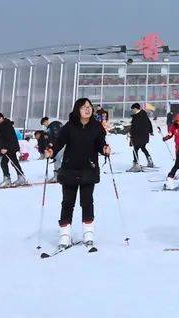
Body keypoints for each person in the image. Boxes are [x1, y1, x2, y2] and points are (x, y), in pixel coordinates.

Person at [46, 97, 110, 248]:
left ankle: (88, 234)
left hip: (89, 169)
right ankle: (64, 236)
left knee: (87, 202)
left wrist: (105, 149)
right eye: (84, 107)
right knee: (67, 203)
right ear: (77, 110)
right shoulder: (69, 127)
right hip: (70, 170)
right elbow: (58, 142)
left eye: (89, 106)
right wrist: (51, 150)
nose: (88, 109)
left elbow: (101, 144)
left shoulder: (97, 127)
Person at [0, 113, 27, 186]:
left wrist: (6, 148)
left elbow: (10, 138)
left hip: (10, 148)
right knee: (10, 162)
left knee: (9, 162)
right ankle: (14, 178)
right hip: (8, 148)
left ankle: (15, 179)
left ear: (1, 118)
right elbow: (2, 138)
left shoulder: (6, 125)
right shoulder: (2, 125)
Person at [128, 103, 155, 172]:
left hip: (138, 136)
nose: (132, 110)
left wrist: (130, 133)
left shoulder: (137, 116)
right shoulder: (143, 114)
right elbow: (149, 123)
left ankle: (136, 165)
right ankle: (150, 161)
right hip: (144, 136)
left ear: (136, 108)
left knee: (135, 149)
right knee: (143, 148)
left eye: (133, 109)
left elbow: (135, 127)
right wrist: (150, 131)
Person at [40, 116, 64, 182]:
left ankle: (58, 176)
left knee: (57, 158)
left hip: (62, 144)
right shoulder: (52, 126)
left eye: (44, 123)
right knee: (59, 159)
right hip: (61, 144)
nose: (44, 125)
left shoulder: (54, 125)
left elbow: (56, 136)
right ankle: (61, 175)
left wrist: (51, 143)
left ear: (47, 120)